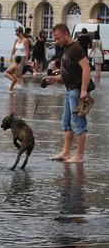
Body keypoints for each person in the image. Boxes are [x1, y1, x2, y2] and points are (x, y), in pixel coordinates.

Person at [45, 23, 91, 163]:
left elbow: (86, 68)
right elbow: (67, 74)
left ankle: (79, 156)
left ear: (66, 34)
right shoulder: (66, 49)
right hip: (70, 90)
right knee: (66, 122)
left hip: (77, 91)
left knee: (78, 122)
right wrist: (54, 78)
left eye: (58, 38)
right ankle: (65, 152)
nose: (56, 41)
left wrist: (83, 90)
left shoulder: (75, 48)